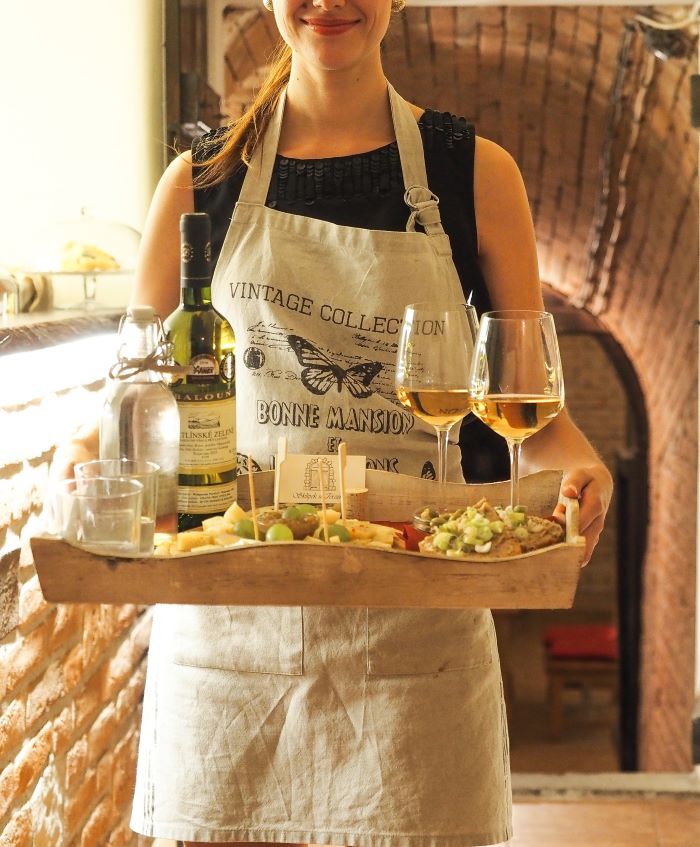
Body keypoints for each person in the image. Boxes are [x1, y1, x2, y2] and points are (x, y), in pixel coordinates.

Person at [89, 0, 611, 844]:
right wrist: (82, 473)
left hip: (417, 669)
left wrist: (586, 467)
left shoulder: (475, 175)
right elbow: (127, 397)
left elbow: (534, 412)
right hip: (231, 665)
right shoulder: (199, 183)